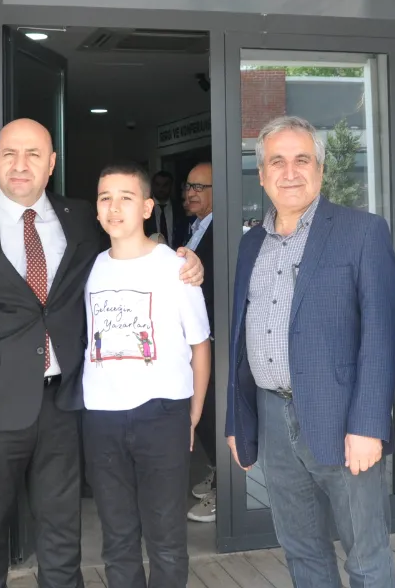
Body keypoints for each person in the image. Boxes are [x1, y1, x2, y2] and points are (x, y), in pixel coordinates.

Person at [0, 118, 203, 588]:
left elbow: (130, 250)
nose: (21, 164)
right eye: (10, 153)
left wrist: (183, 259)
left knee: (61, 536)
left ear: (51, 163)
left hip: (66, 405)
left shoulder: (82, 220)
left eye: (33, 154)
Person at [226, 115, 395, 587]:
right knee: (302, 551)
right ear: (261, 175)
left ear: (320, 170)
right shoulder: (250, 244)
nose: (290, 172)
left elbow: (382, 335)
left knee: (366, 557)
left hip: (344, 421)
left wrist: (369, 425)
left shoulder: (362, 232)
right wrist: (237, 421)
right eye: (277, 162)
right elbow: (240, 340)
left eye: (302, 160)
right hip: (272, 418)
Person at [82, 161, 211, 587]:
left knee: (166, 540)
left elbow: (200, 344)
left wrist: (192, 414)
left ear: (147, 207)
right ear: (97, 209)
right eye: (105, 198)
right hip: (101, 418)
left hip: (162, 414)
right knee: (118, 540)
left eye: (126, 197)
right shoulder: (89, 267)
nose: (114, 207)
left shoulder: (174, 266)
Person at [182, 162, 218, 524]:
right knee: (204, 412)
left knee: (212, 413)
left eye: (199, 187)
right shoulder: (194, 227)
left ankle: (226, 490)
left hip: (213, 339)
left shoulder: (223, 231)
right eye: (189, 186)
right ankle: (217, 471)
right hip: (195, 340)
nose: (190, 193)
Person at [142, 170, 187, 249]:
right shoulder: (144, 208)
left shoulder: (180, 208)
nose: (161, 188)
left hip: (177, 253)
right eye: (157, 184)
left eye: (165, 185)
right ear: (152, 186)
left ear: (171, 186)